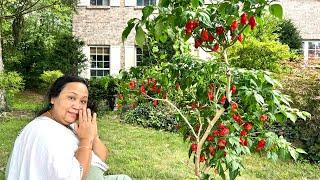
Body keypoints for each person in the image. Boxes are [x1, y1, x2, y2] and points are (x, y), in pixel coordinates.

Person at [6, 75, 131, 180]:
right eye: (71, 98)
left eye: (83, 101)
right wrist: (85, 141)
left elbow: (101, 157)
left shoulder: (67, 125)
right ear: (53, 98)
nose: (77, 106)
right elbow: (73, 176)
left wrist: (93, 136)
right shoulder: (45, 132)